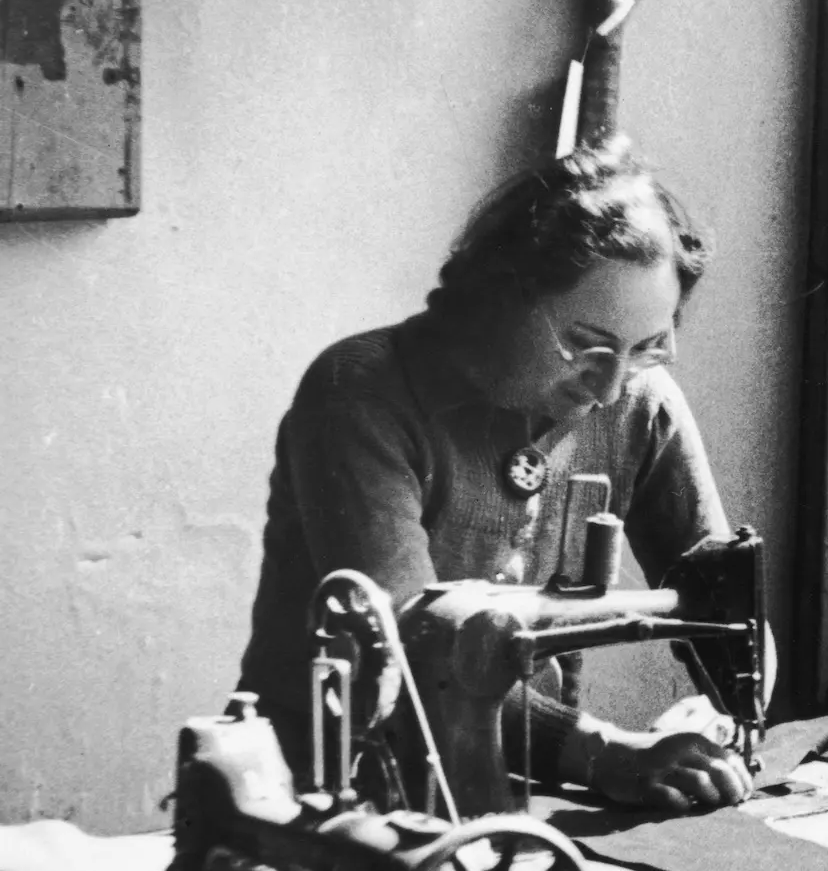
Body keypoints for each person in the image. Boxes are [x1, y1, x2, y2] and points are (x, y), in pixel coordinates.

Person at [236, 139, 752, 815]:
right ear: (500, 300)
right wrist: (605, 753)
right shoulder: (360, 394)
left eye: (647, 347)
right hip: (326, 799)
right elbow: (423, 658)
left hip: (515, 793)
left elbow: (720, 599)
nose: (609, 387)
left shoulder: (640, 402)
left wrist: (740, 700)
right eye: (587, 346)